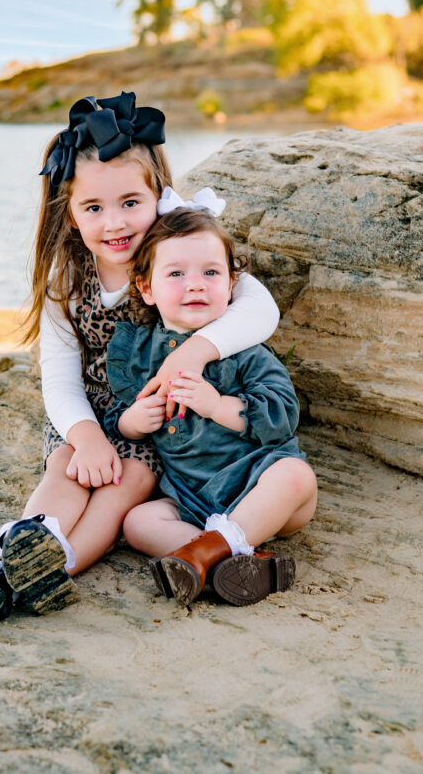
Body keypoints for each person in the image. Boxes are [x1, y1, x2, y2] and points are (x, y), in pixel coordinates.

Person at [0, 92, 282, 621]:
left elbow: (260, 307)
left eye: (130, 202)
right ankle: (25, 546)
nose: (115, 223)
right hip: (86, 416)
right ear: (69, 215)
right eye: (94, 208)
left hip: (154, 422)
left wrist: (195, 352)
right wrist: (87, 437)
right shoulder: (66, 280)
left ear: (159, 195)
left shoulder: (179, 255)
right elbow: (61, 383)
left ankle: (55, 567)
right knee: (68, 469)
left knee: (125, 485)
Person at [105, 196, 318, 607]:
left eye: (210, 272)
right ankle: (238, 563)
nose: (196, 283)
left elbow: (282, 416)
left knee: (296, 476)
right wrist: (134, 420)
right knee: (138, 522)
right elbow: (119, 418)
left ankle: (203, 555)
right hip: (189, 497)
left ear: (231, 284)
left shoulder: (244, 348)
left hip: (262, 488)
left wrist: (216, 405)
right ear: (146, 288)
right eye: (177, 274)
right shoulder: (139, 354)